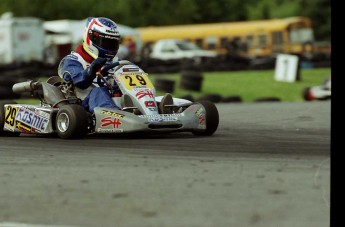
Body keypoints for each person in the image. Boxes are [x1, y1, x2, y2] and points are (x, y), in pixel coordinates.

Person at [58, 17, 173, 114]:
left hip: (114, 100)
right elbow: (79, 81)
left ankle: (153, 109)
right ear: (91, 38)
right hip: (85, 104)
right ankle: (117, 114)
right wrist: (91, 70)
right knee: (100, 91)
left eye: (112, 43)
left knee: (131, 89)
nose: (109, 47)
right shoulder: (73, 60)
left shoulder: (117, 61)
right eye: (105, 42)